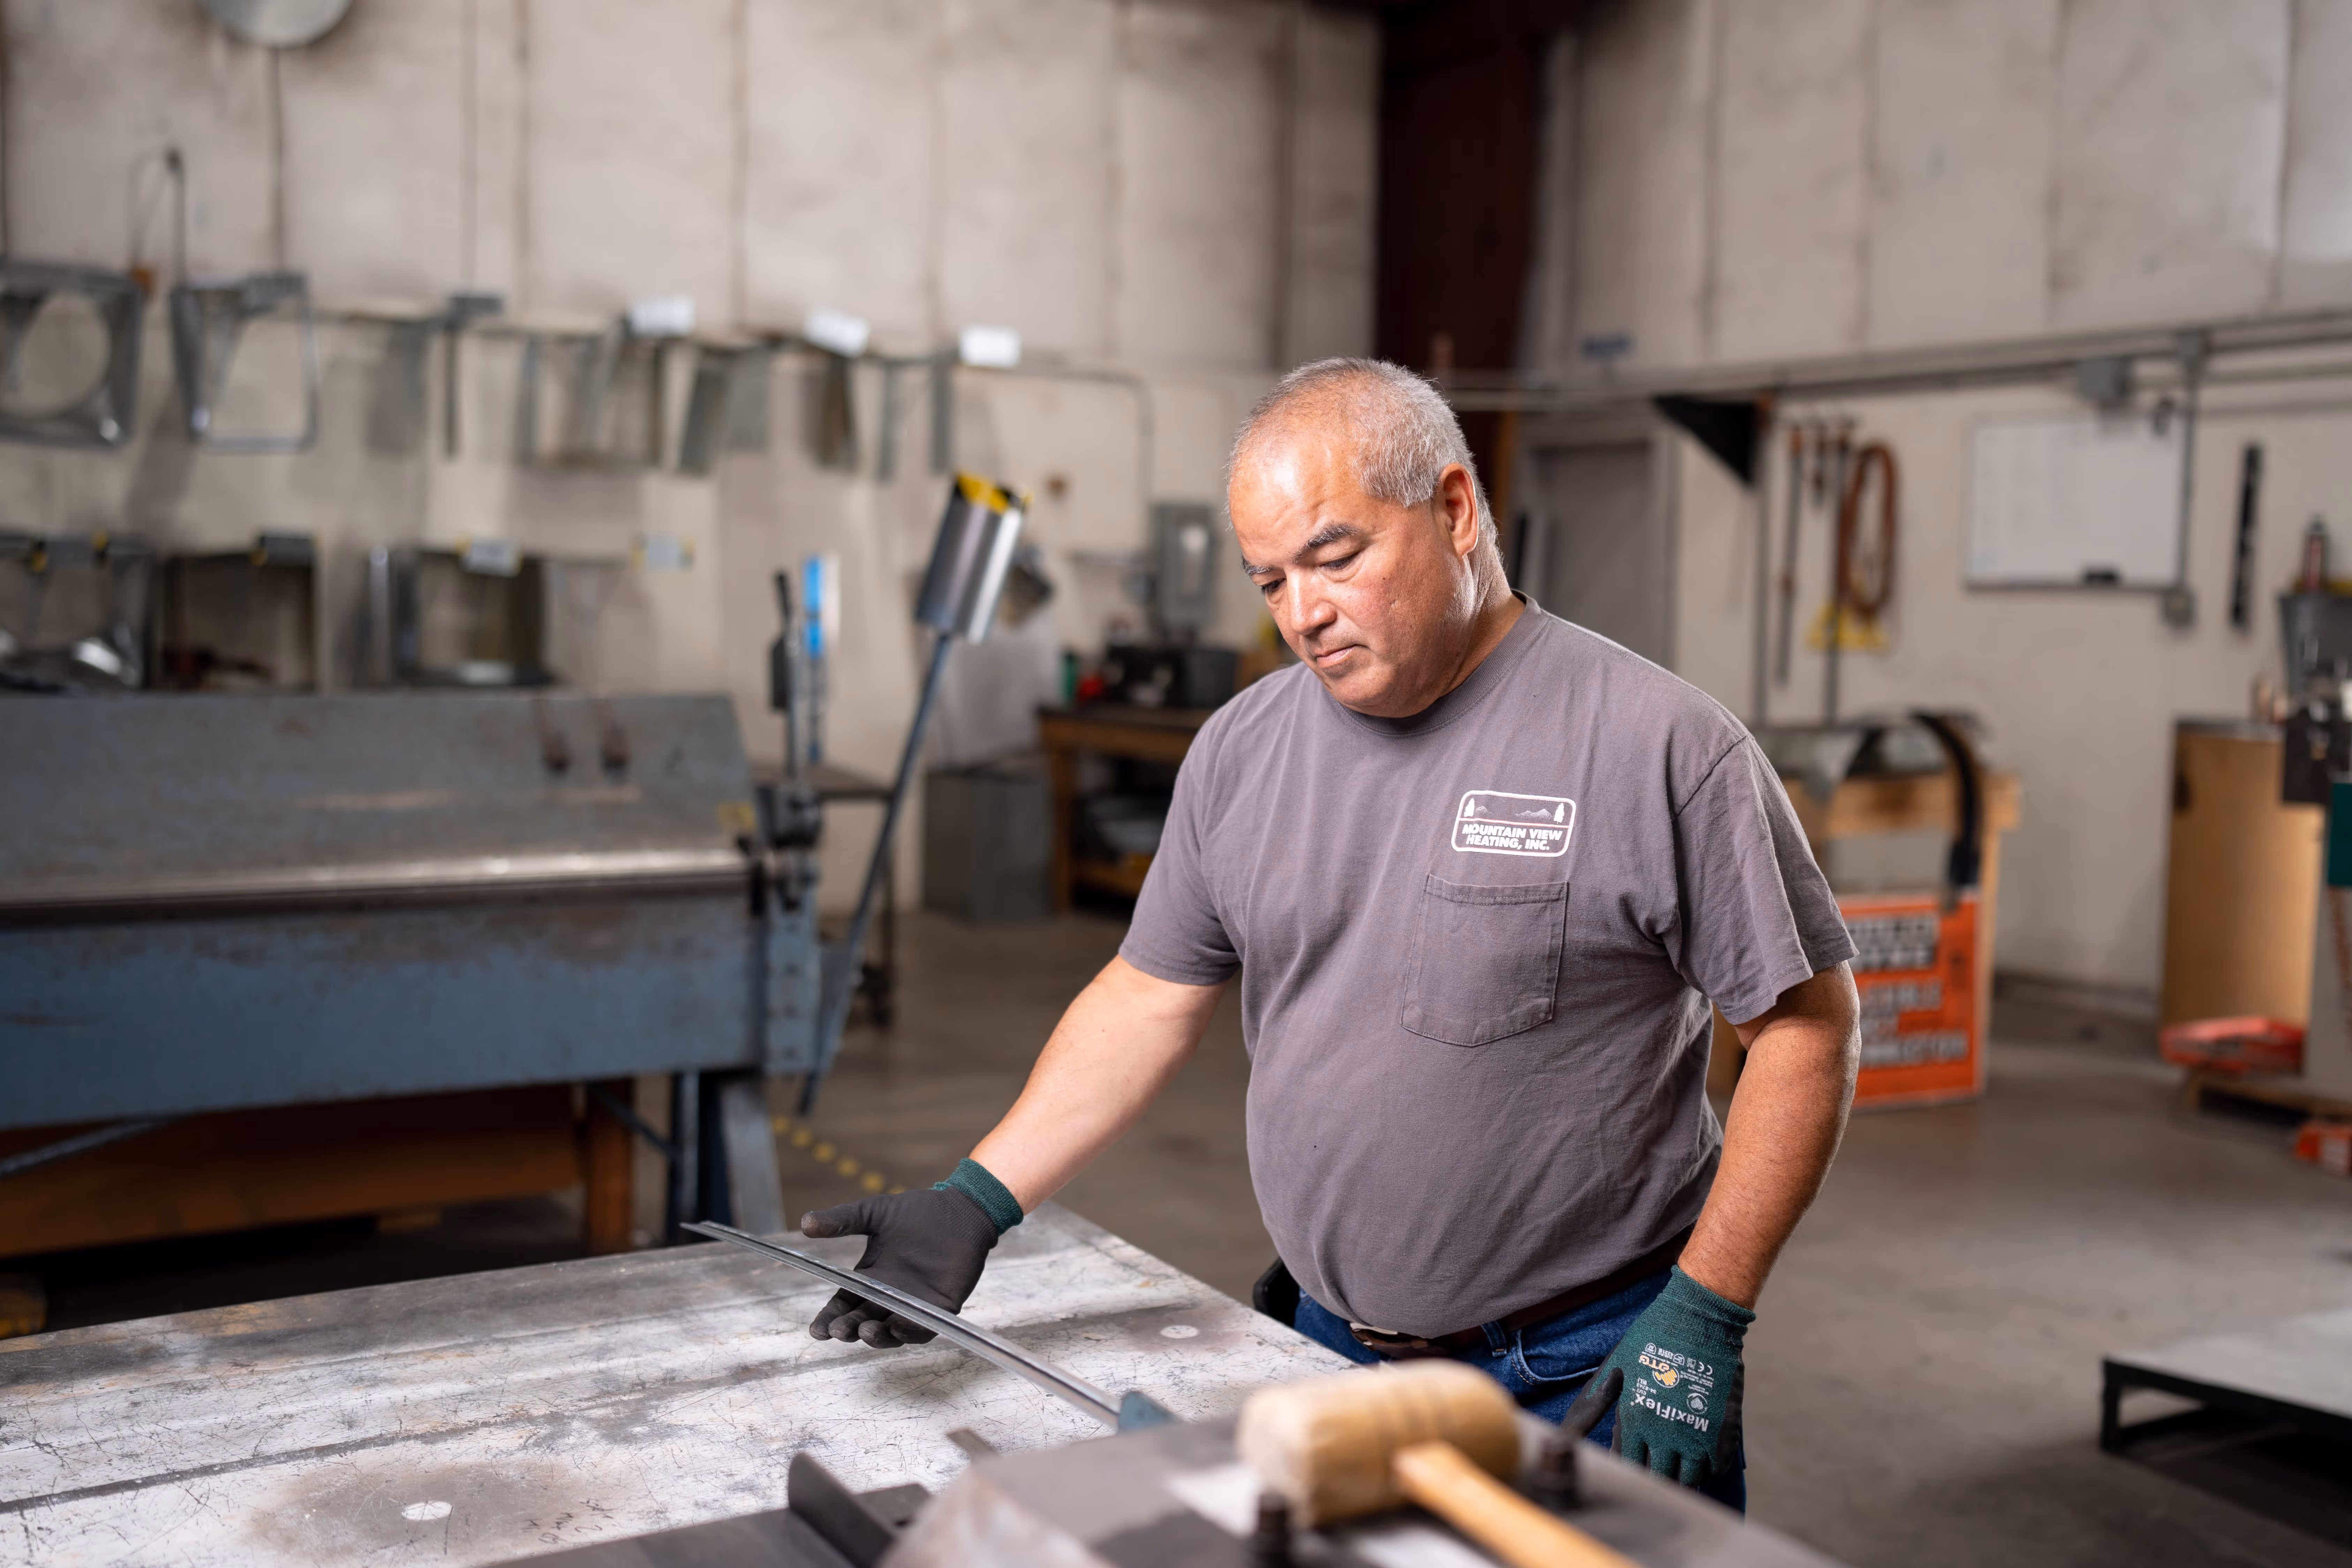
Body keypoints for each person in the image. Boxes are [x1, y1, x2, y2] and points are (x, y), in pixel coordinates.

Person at [800, 358, 1860, 1511]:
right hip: (1323, 1357)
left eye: (1335, 557)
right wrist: (978, 1196)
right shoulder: (1243, 751)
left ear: (1454, 510)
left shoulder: (1661, 748)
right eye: (1270, 581)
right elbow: (1150, 996)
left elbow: (1805, 1033)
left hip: (1582, 1370)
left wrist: (1703, 1316)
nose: (1302, 613)